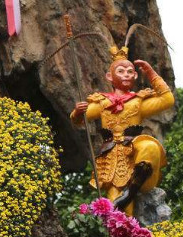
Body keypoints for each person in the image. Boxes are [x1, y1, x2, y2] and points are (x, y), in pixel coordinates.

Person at [70, 45, 174, 215]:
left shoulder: (138, 101)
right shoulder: (102, 102)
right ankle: (120, 222)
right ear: (110, 77)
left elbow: (167, 99)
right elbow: (79, 120)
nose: (126, 74)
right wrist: (77, 111)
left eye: (129, 71)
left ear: (134, 75)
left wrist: (150, 72)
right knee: (118, 209)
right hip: (112, 157)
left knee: (150, 146)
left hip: (133, 152)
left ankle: (129, 193)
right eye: (121, 71)